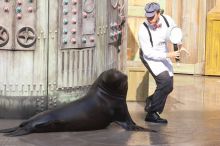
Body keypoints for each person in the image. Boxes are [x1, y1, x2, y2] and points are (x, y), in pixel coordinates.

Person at [138, 2, 181, 124]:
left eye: (152, 16)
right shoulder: (143, 29)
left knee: (169, 86)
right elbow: (148, 53)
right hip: (149, 56)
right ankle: (152, 113)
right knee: (165, 81)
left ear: (159, 13)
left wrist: (180, 44)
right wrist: (169, 55)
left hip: (163, 54)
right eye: (147, 16)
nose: (149, 19)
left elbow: (175, 34)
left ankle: (151, 100)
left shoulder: (167, 20)